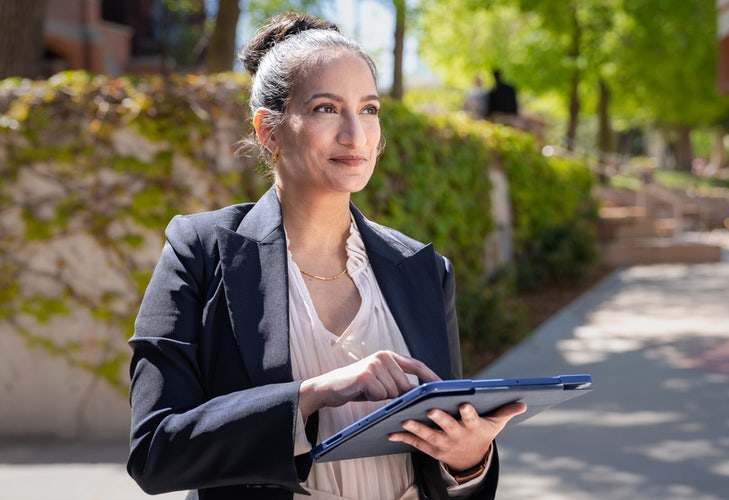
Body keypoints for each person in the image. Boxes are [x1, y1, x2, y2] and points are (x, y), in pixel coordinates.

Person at [127, 12, 526, 500]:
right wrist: (312, 394)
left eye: (370, 110)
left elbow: (444, 457)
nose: (356, 136)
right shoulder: (200, 252)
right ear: (268, 131)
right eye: (325, 109)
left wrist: (468, 460)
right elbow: (154, 452)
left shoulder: (423, 269)